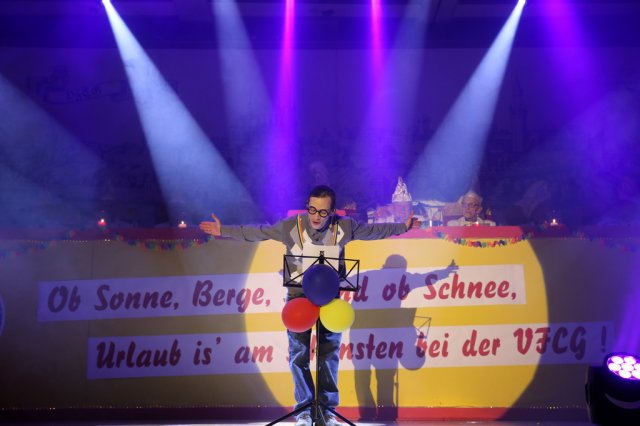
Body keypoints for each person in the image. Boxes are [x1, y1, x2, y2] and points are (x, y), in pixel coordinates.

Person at [199, 185, 416, 426]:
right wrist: (223, 230)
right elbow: (258, 232)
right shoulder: (291, 226)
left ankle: (327, 410)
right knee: (299, 354)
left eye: (322, 212)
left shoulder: (343, 227)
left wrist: (402, 227)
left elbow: (373, 231)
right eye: (312, 209)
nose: (316, 216)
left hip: (330, 300)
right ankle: (303, 410)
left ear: (332, 211)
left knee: (329, 355)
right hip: (298, 298)